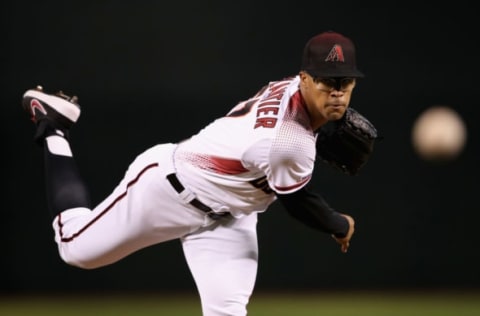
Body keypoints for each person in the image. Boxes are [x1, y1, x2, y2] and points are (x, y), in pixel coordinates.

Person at [21, 30, 362, 315]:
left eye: (344, 82)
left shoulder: (290, 91)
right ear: (304, 79)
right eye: (326, 82)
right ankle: (54, 128)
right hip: (168, 189)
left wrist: (317, 135)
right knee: (74, 248)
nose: (336, 92)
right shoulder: (288, 142)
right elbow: (299, 202)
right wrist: (339, 224)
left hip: (230, 216)